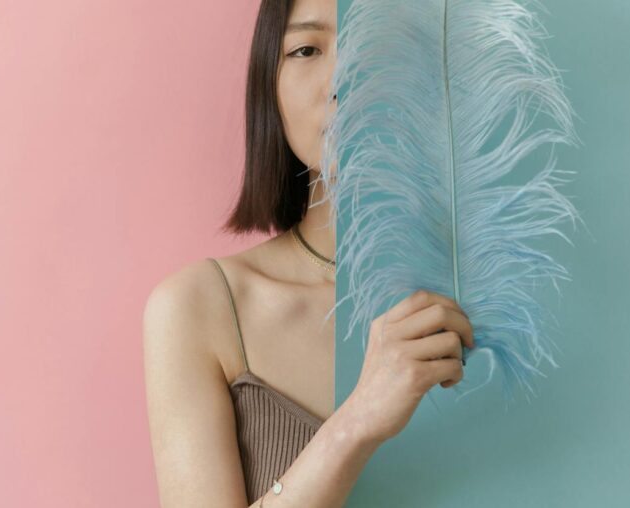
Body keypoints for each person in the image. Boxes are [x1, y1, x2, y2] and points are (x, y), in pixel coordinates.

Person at [142, 0, 474, 505]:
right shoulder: (200, 306)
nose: (343, 80)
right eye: (305, 49)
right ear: (268, 88)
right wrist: (357, 421)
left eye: (373, 45)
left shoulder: (499, 298)